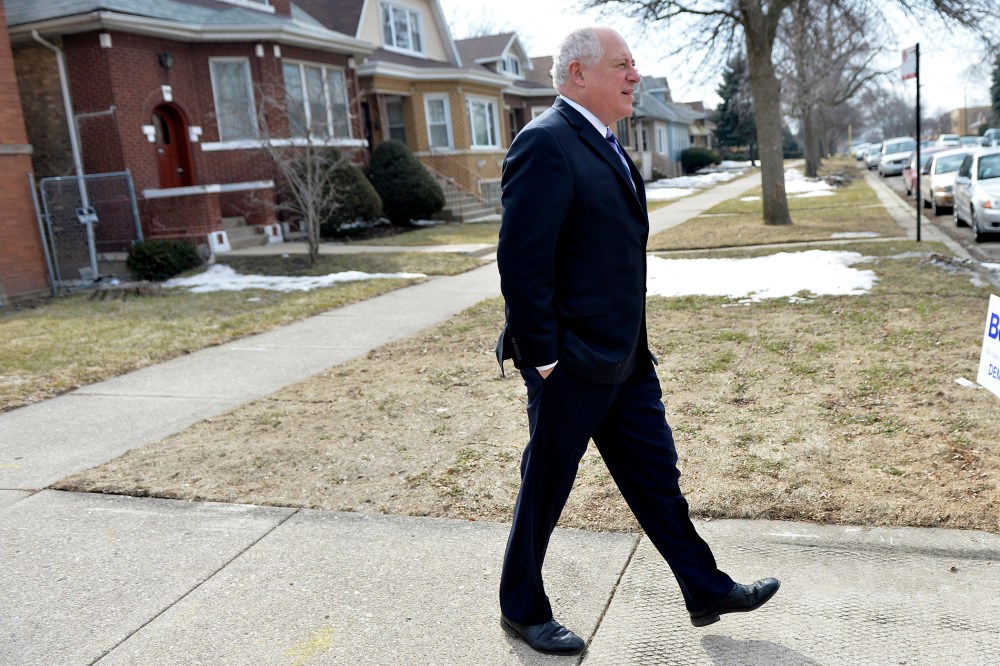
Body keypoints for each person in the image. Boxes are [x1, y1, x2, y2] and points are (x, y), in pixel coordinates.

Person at [494, 26, 779, 656]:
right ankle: (522, 609)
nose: (634, 76)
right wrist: (544, 358)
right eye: (622, 65)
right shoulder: (545, 142)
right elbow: (522, 262)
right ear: (577, 74)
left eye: (634, 65)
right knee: (546, 489)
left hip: (625, 360)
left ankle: (705, 588)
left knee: (656, 479)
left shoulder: (606, 144)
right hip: (571, 364)